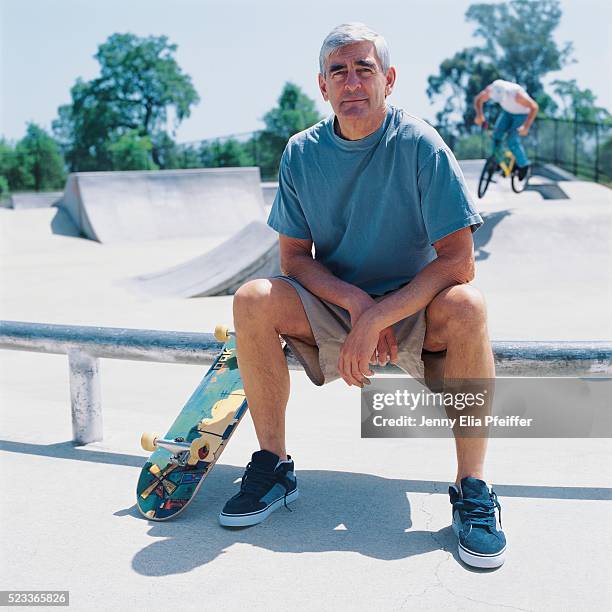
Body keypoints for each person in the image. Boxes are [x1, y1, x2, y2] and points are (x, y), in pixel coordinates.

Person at [219, 22, 506, 569]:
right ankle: (274, 465)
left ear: (389, 80)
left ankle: (473, 488)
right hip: (337, 305)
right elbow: (294, 259)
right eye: (338, 72)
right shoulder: (302, 153)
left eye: (364, 69)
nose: (352, 82)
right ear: (322, 87)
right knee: (253, 298)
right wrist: (357, 307)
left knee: (470, 305)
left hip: (415, 306)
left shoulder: (421, 145)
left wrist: (379, 317)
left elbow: (458, 261)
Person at [474, 78, 539, 180]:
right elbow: (478, 100)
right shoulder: (490, 90)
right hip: (507, 113)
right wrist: (479, 115)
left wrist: (526, 127)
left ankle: (523, 166)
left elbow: (534, 107)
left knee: (512, 140)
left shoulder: (517, 96)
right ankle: (497, 162)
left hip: (521, 115)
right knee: (496, 136)